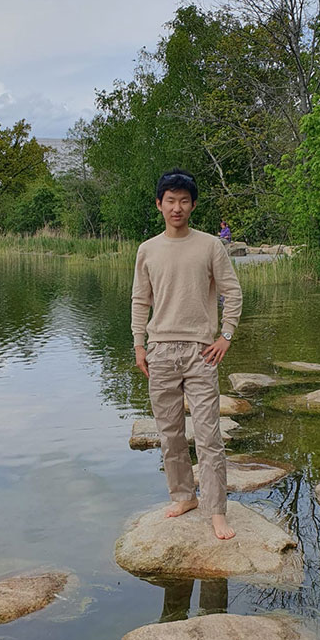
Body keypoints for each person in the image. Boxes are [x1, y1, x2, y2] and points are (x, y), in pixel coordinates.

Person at [132, 169, 243, 540]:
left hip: (200, 352)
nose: (176, 207)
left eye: (183, 200)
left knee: (209, 435)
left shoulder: (210, 245)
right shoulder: (147, 249)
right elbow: (140, 300)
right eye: (170, 200)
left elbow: (233, 291)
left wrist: (225, 335)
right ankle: (184, 496)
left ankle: (216, 510)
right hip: (160, 350)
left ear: (193, 205)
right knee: (170, 435)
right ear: (159, 205)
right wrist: (138, 344)